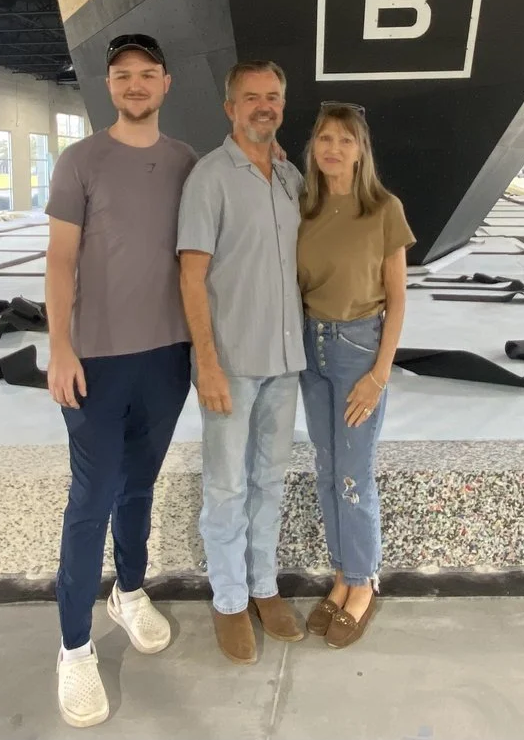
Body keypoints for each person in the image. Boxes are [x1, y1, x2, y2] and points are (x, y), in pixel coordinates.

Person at [44, 33, 198, 728]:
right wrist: (60, 347)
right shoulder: (80, 161)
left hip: (168, 356)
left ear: (166, 84)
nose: (135, 85)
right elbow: (59, 261)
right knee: (92, 497)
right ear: (110, 86)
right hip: (98, 359)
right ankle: (74, 648)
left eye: (147, 74)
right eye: (122, 75)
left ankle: (129, 590)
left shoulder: (186, 162)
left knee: (139, 485)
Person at [176, 60, 306, 665]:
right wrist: (207, 362)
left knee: (270, 481)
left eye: (272, 97)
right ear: (230, 108)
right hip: (231, 362)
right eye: (251, 97)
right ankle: (229, 599)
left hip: (285, 362)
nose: (263, 106)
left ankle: (264, 587)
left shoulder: (290, 178)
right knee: (227, 486)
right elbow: (192, 276)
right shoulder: (210, 178)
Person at [296, 102, 414, 649]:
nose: (334, 149)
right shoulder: (303, 205)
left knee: (353, 475)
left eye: (345, 140)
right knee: (326, 468)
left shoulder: (384, 208)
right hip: (310, 348)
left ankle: (364, 581)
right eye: (325, 139)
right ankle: (341, 574)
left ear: (360, 148)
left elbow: (397, 299)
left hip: (357, 349)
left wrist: (379, 374)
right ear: (313, 147)